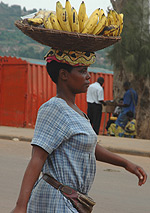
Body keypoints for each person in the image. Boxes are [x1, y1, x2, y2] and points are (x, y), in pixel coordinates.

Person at [11, 49, 147, 213]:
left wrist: (126, 164)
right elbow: (37, 158)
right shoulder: (54, 108)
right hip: (55, 200)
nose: (88, 76)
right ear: (64, 75)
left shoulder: (77, 112)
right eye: (82, 71)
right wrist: (21, 206)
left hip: (72, 200)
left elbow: (91, 147)